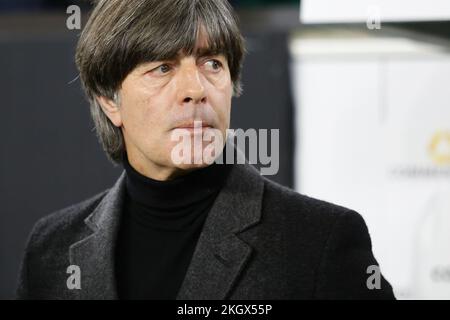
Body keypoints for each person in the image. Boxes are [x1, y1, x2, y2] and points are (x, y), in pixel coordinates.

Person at [16, 0, 395, 300]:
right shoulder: (51, 249)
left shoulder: (319, 242)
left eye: (212, 63)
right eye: (163, 68)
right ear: (109, 101)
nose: (195, 89)